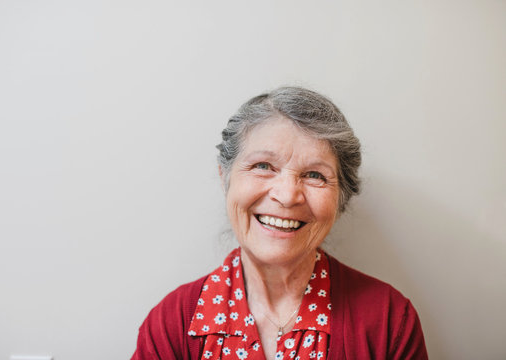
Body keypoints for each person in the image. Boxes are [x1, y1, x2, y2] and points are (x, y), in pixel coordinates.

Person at [131, 87, 428, 359]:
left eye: (315, 175)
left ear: (341, 197)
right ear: (225, 178)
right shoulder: (171, 324)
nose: (287, 196)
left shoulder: (388, 321)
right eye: (263, 166)